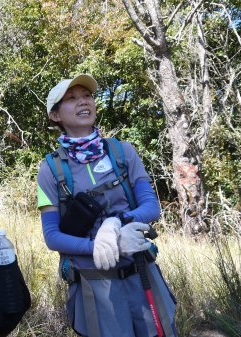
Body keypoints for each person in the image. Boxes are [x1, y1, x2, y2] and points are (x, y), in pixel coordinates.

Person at [36, 75, 177, 337]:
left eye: (87, 96)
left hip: (140, 272)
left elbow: (151, 206)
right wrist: (99, 247)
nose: (83, 102)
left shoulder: (122, 152)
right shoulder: (50, 169)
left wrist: (116, 223)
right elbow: (52, 236)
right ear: (55, 115)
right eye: (72, 98)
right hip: (93, 285)